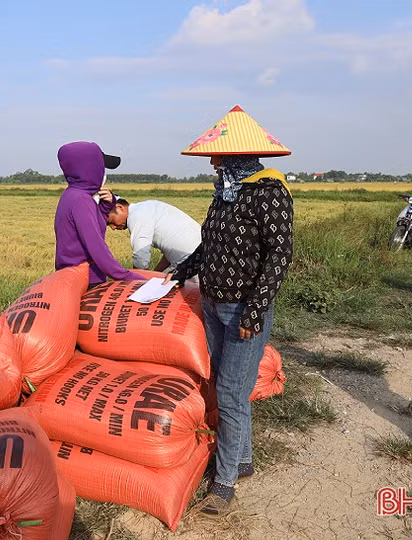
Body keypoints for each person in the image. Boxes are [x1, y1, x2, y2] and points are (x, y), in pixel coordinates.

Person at [166, 105, 294, 516]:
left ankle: (223, 485)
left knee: (230, 394)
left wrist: (255, 310)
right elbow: (209, 247)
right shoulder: (225, 193)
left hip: (244, 311)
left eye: (218, 156)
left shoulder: (269, 193)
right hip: (213, 304)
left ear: (238, 154)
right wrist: (179, 272)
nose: (212, 163)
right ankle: (242, 461)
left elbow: (278, 257)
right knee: (228, 386)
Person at [54, 141, 145, 286]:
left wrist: (105, 207)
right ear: (90, 168)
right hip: (86, 280)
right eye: (101, 167)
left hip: (73, 278)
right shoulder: (81, 201)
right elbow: (97, 248)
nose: (103, 173)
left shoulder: (73, 196)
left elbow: (93, 229)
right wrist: (127, 276)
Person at [106, 198, 202, 272]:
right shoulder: (146, 207)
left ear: (119, 207)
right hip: (200, 256)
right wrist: (155, 273)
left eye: (110, 222)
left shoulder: (136, 216)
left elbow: (141, 261)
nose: (113, 228)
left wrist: (133, 283)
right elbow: (171, 251)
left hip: (189, 263)